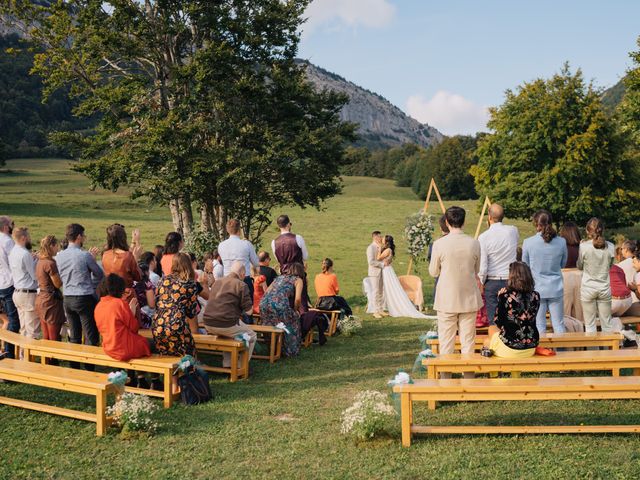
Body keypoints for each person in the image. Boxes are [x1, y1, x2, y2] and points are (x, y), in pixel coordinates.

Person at [429, 206, 483, 377]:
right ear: (464, 221)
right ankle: (468, 377)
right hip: (468, 296)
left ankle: (446, 379)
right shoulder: (474, 243)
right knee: (468, 340)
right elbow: (477, 269)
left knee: (446, 341)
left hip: (446, 298)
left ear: (447, 222)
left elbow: (433, 272)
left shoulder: (439, 244)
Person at [56, 223, 104, 358]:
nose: (84, 239)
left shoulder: (60, 256)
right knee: (90, 334)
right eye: (83, 236)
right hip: (84, 296)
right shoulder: (85, 256)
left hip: (68, 297)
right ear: (78, 237)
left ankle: (74, 364)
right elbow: (99, 274)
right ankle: (89, 366)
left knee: (74, 334)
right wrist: (91, 264)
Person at [202, 261, 257, 366]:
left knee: (228, 335)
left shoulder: (218, 282)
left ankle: (228, 364)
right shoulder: (241, 285)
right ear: (242, 273)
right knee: (252, 336)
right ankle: (242, 367)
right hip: (225, 323)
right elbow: (249, 312)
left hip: (208, 323)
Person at [522, 210, 567, 334]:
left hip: (537, 287)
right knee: (558, 325)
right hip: (556, 287)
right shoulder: (561, 242)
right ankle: (562, 352)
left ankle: (541, 351)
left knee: (539, 325)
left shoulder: (528, 242)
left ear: (536, 224)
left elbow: (525, 266)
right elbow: (563, 264)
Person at [484, 262, 540, 358]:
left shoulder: (505, 296)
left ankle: (494, 373)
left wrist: (500, 298)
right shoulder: (536, 296)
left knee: (487, 341)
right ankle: (515, 374)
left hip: (510, 347)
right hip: (531, 347)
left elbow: (498, 322)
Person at [152, 252, 202, 356]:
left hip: (158, 325)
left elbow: (157, 302)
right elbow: (191, 312)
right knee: (189, 355)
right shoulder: (189, 283)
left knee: (166, 354)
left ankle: (171, 372)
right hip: (176, 325)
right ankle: (189, 371)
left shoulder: (162, 280)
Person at [478, 203, 519, 325]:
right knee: (510, 318)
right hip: (510, 279)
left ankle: (495, 342)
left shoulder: (484, 237)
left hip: (492, 280)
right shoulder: (513, 231)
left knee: (493, 320)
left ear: (489, 217)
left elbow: (483, 265)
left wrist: (481, 281)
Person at [95, 273, 151, 362]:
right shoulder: (120, 304)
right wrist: (132, 311)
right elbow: (134, 328)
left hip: (109, 347)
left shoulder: (99, 306)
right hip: (124, 348)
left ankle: (137, 375)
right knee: (149, 343)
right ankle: (151, 375)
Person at [374, 235, 429, 319]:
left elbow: (378, 258)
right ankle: (386, 307)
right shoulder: (389, 249)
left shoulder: (388, 250)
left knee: (390, 289)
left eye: (384, 239)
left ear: (387, 242)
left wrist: (379, 248)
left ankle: (394, 307)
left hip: (387, 271)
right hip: (387, 270)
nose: (382, 240)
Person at [259, 262, 305, 357]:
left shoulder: (279, 278)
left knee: (270, 324)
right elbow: (298, 299)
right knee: (293, 322)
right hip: (279, 304)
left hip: (263, 303)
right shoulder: (298, 280)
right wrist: (296, 310)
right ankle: (289, 350)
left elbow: (267, 291)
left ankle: (272, 348)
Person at [578, 218, 615, 332]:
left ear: (587, 231)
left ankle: (592, 350)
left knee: (590, 326)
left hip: (588, 287)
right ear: (603, 230)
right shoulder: (611, 246)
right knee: (607, 325)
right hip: (604, 287)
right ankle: (610, 350)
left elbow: (579, 266)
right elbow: (610, 266)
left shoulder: (584, 246)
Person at [271, 214, 310, 310]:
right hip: (298, 273)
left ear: (278, 226)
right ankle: (302, 322)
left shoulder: (274, 242)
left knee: (287, 301)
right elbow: (305, 256)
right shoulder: (298, 238)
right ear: (288, 224)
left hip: (284, 275)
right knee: (301, 301)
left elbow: (278, 259)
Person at [101, 224, 142, 314]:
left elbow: (124, 256)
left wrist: (134, 242)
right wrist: (136, 259)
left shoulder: (105, 255)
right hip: (126, 296)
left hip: (110, 294)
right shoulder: (128, 256)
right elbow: (138, 277)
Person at [8, 227, 41, 339]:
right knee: (33, 330)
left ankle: (22, 356)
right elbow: (34, 276)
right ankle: (28, 356)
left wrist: (33, 260)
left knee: (23, 328)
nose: (30, 239)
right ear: (23, 238)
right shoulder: (25, 253)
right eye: (28, 237)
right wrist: (37, 261)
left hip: (17, 292)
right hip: (28, 294)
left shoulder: (12, 252)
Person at [218, 219, 259, 297]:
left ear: (227, 230)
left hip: (228, 280)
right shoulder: (246, 244)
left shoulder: (221, 245)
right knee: (247, 307)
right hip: (244, 279)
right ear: (239, 230)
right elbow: (256, 263)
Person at [35, 235, 65, 341]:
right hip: (51, 301)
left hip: (41, 298)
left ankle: (46, 358)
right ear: (52, 246)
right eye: (56, 246)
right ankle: (54, 358)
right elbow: (57, 284)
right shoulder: (50, 263)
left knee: (46, 336)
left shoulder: (40, 261)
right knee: (54, 337)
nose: (58, 248)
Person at [0, 216, 20, 357]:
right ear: (6, 227)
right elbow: (15, 262)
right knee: (13, 321)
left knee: (4, 320)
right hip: (9, 283)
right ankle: (9, 353)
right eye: (12, 224)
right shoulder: (8, 241)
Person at [559, 222, 583, 321]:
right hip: (580, 276)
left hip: (564, 276)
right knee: (580, 314)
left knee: (565, 313)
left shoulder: (560, 247)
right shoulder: (582, 247)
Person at [366, 231, 386, 319]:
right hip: (374, 272)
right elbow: (371, 261)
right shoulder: (371, 248)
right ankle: (375, 311)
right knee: (375, 291)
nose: (381, 238)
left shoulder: (381, 246)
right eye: (379, 237)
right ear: (375, 237)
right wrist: (381, 264)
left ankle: (380, 309)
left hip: (382, 271)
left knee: (381, 290)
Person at [134, 262, 156, 329]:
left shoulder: (133, 283)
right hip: (145, 316)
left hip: (135, 313)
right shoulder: (148, 284)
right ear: (146, 272)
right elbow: (152, 305)